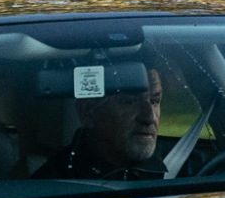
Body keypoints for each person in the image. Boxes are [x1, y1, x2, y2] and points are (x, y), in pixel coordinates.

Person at [36, 68, 165, 179]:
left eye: (155, 101)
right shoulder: (52, 187)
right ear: (88, 112)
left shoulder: (180, 170)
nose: (149, 117)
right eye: (130, 101)